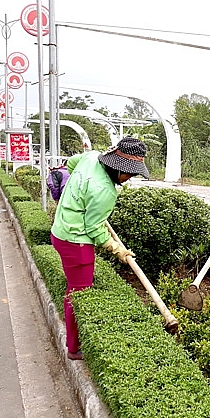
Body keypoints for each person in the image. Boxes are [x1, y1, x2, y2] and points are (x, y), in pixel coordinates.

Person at [50, 137, 150, 360]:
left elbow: (71, 165)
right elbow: (93, 228)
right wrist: (117, 249)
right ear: (116, 167)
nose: (130, 177)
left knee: (74, 288)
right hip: (76, 242)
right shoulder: (105, 191)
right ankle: (74, 349)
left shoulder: (91, 157)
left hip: (60, 230)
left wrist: (79, 196)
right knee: (79, 293)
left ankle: (74, 342)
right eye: (129, 173)